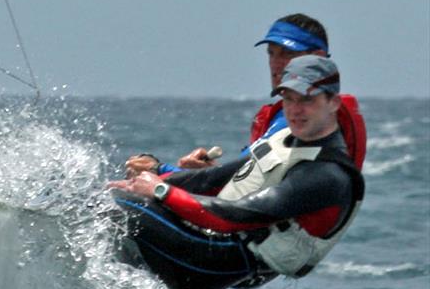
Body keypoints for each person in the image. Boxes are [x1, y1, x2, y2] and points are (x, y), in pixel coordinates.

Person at [109, 55, 365, 284]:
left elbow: (234, 215)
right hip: (215, 241)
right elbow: (213, 178)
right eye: (288, 98)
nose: (295, 110)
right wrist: (151, 180)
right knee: (114, 197)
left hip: (217, 265)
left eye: (307, 99)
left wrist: (161, 190)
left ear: (333, 102)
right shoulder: (285, 138)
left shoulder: (326, 175)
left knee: (110, 206)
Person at [125, 13, 366, 177]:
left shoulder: (304, 120)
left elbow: (243, 185)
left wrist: (159, 171)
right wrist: (207, 171)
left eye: (287, 54)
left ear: (318, 57)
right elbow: (249, 178)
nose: (276, 63)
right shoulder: (298, 115)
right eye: (272, 53)